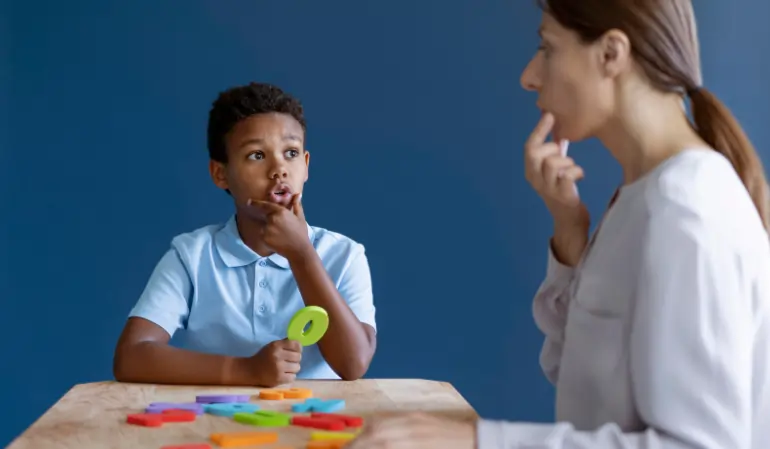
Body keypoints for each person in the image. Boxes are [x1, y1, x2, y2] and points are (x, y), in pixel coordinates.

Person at [347, 0, 770, 448]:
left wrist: (476, 441)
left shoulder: (684, 208)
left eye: (547, 47)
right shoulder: (641, 198)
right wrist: (570, 236)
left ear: (611, 54)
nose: (529, 75)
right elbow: (574, 379)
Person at [112, 82, 377, 387]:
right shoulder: (192, 255)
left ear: (305, 166)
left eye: (290, 152)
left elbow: (353, 363)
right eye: (256, 155)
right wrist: (247, 371)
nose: (279, 169)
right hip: (216, 425)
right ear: (220, 174)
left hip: (317, 427)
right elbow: (130, 357)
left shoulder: (344, 255)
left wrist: (301, 254)